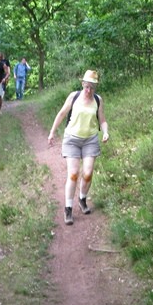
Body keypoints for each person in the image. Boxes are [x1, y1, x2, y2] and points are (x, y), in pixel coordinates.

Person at [47, 70, 110, 225]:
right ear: (83, 84)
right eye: (87, 86)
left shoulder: (98, 100)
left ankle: (82, 198)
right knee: (74, 174)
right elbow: (62, 114)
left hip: (90, 139)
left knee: (87, 173)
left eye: (92, 87)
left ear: (95, 87)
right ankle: (68, 208)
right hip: (72, 139)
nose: (89, 90)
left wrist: (106, 132)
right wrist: (52, 132)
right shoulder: (73, 96)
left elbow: (102, 120)